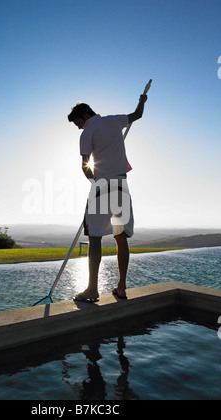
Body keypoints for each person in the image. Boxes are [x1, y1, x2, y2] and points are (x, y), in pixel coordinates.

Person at [68, 94, 148, 302]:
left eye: (78, 123)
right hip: (121, 184)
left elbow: (85, 168)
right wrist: (142, 100)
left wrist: (96, 183)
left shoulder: (87, 132)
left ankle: (92, 289)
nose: (78, 127)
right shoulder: (114, 120)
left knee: (95, 236)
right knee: (121, 236)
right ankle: (121, 288)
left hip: (101, 184)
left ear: (84, 115)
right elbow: (137, 114)